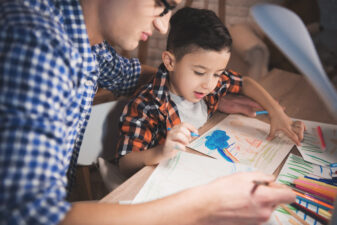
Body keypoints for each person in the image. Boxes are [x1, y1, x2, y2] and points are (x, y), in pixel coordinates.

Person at [0, 0, 295, 225]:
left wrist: (193, 88)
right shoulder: (37, 42)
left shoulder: (86, 41)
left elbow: (131, 73)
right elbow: (31, 215)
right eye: (160, 5)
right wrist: (208, 203)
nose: (163, 27)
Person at [116, 7, 305, 176]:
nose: (209, 84)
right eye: (199, 72)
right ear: (170, 61)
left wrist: (276, 113)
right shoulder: (147, 105)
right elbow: (124, 163)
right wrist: (160, 152)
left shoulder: (209, 86)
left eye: (217, 74)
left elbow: (246, 83)